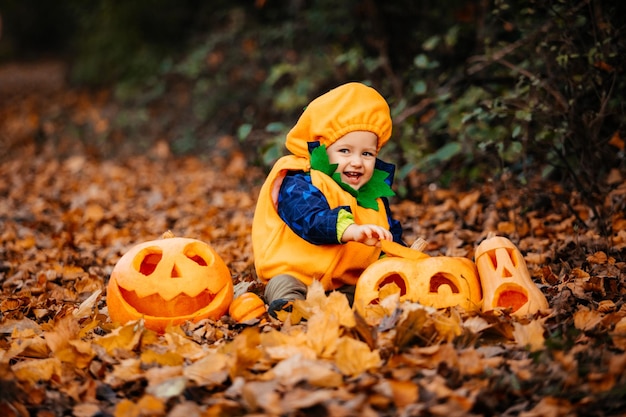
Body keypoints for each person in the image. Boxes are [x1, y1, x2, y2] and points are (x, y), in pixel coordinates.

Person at [251, 82, 405, 318]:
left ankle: (346, 307)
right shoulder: (300, 181)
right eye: (345, 151)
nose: (357, 162)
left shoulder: (371, 193)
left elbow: (387, 231)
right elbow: (308, 218)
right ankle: (291, 307)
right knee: (284, 284)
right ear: (322, 149)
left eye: (367, 154)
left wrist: (398, 255)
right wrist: (349, 229)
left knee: (368, 291)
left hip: (344, 282)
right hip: (298, 273)